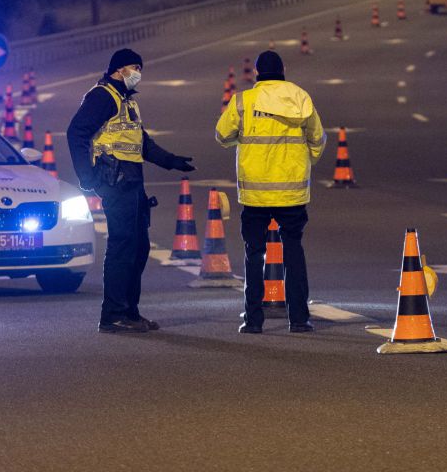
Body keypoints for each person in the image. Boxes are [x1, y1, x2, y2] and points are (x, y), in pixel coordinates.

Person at [67, 48, 195, 333]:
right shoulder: (101, 96)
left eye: (140, 67)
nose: (138, 73)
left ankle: (130, 312)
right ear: (118, 69)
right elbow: (76, 132)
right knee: (122, 246)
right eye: (134, 67)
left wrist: (171, 161)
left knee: (138, 248)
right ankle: (113, 314)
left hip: (132, 181)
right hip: (115, 180)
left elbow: (142, 143)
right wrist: (86, 177)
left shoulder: (127, 102)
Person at [215, 50, 325, 334]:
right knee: (294, 251)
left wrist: (242, 141)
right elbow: (317, 137)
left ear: (257, 73)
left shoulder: (243, 100)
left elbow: (222, 135)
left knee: (254, 254)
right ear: (283, 70)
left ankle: (253, 321)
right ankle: (299, 319)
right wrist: (306, 161)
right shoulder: (300, 97)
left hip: (255, 193)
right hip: (292, 191)